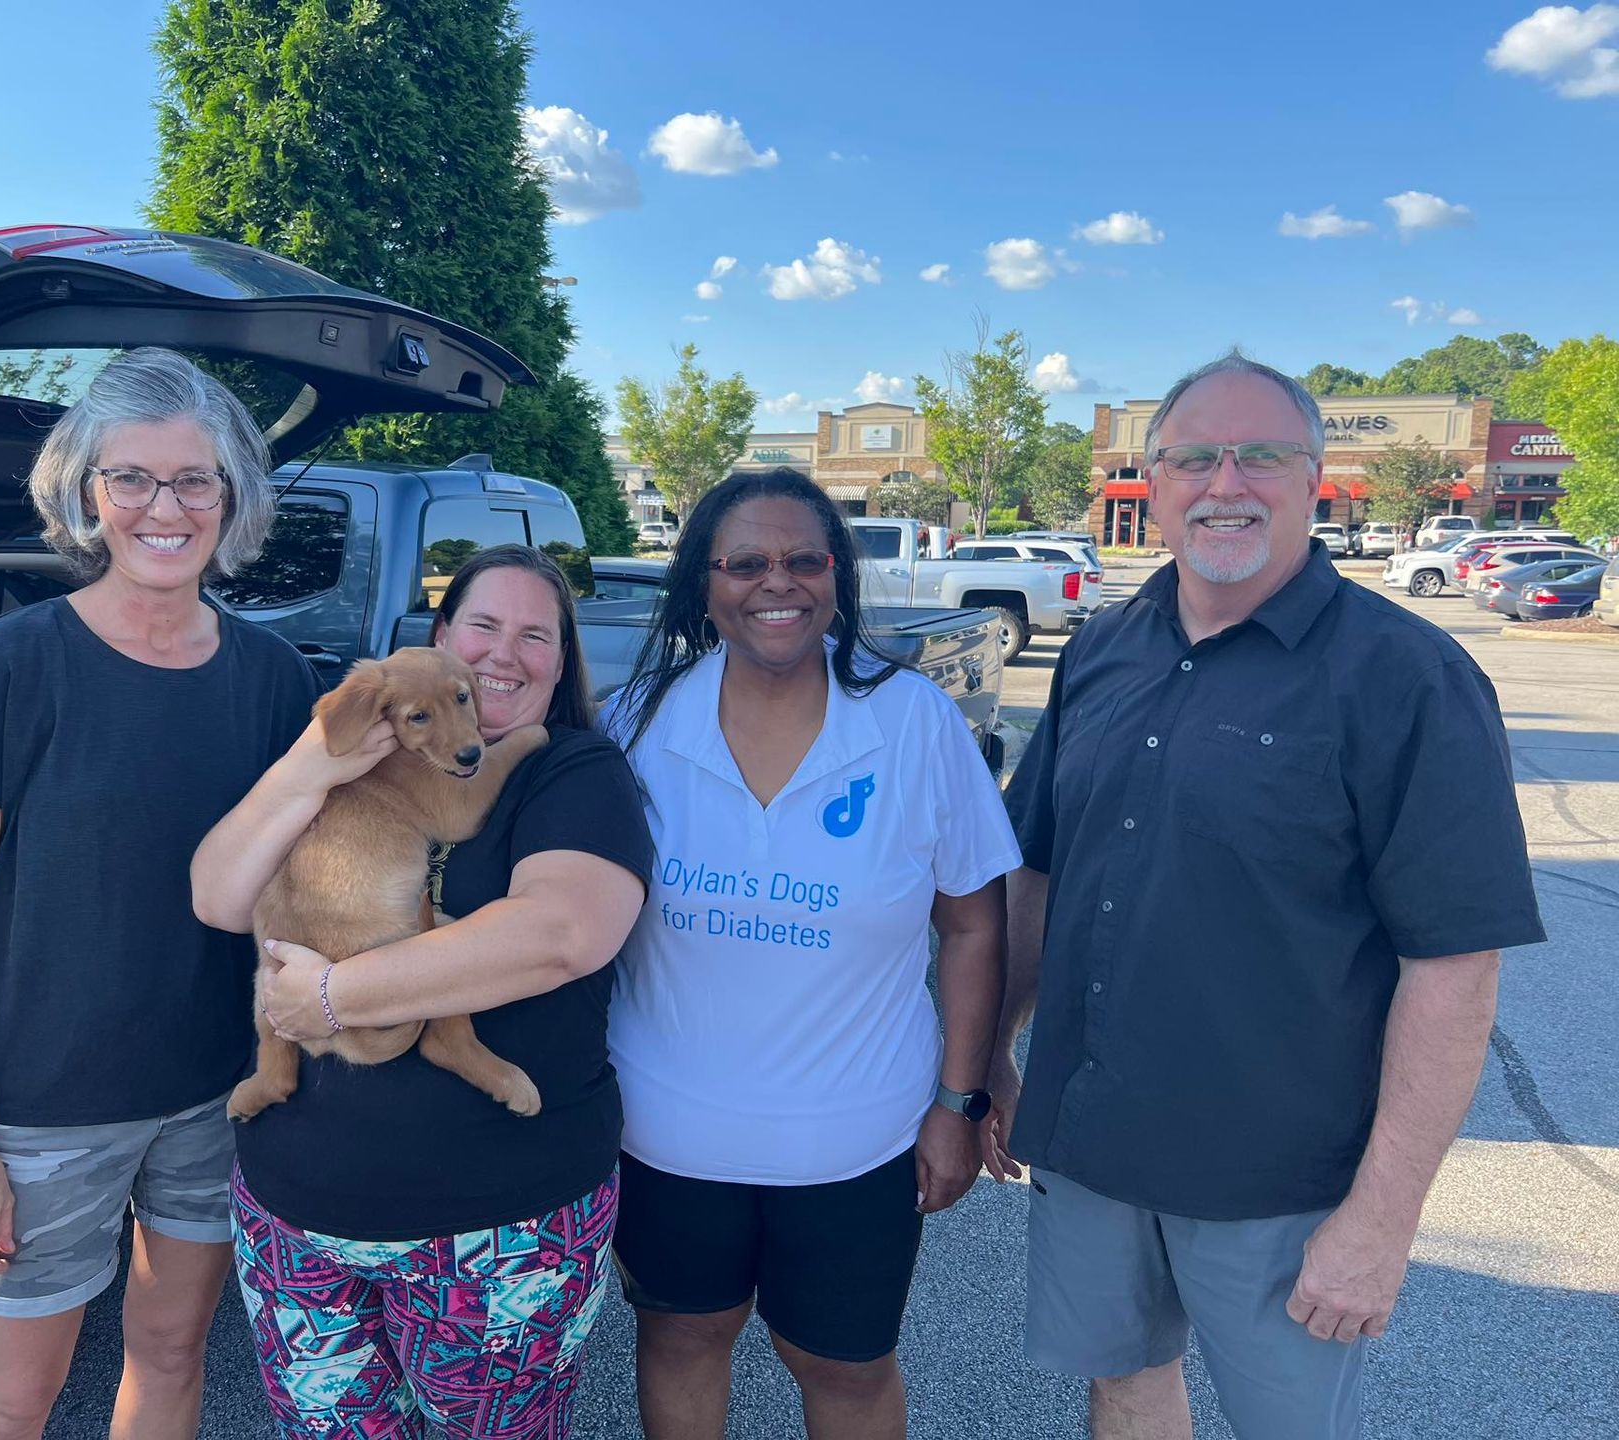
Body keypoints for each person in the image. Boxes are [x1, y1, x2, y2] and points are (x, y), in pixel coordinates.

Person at [989, 351, 1546, 1440]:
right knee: (1124, 1384)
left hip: (1283, 1177)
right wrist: (992, 1058)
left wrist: (1383, 1220)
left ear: (1313, 477)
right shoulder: (1102, 651)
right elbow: (1039, 872)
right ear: (1152, 480)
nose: (1226, 482)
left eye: (1263, 456)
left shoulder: (1406, 678)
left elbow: (1455, 966)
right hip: (1092, 1138)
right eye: (1195, 456)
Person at [0, 347, 341, 1439]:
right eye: (132, 478)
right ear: (87, 493)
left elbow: (299, 892)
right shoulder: (9, 667)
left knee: (171, 1352)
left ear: (232, 496)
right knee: (14, 1400)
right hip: (40, 1111)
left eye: (195, 479)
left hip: (212, 1095)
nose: (165, 507)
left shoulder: (272, 680)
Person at [191, 544, 652, 1440]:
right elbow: (217, 897)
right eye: (482, 625)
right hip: (302, 1211)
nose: (503, 654)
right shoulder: (355, 746)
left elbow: (561, 934)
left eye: (535, 634)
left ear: (563, 660)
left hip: (497, 1223)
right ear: (443, 636)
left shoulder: (573, 770)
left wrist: (333, 999)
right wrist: (318, 765)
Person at [603, 468, 1020, 1440]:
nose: (775, 583)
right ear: (702, 587)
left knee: (843, 1369)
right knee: (682, 1342)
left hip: (858, 1145)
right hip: (665, 1138)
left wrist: (959, 1105)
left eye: (803, 560)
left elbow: (973, 925)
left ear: (838, 575)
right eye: (744, 563)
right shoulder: (637, 726)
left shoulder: (912, 722)